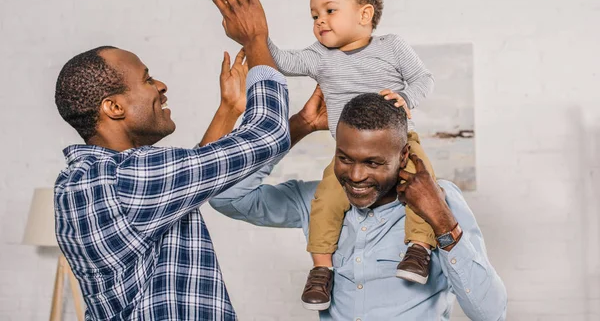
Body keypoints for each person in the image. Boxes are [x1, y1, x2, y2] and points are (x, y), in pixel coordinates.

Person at [52, 0, 289, 320]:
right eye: (147, 80)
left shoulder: (76, 183)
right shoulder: (130, 178)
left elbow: (184, 185)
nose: (160, 85)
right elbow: (268, 133)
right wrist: (256, 40)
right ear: (113, 107)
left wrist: (228, 110)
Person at [209, 87, 508, 320]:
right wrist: (300, 125)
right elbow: (224, 197)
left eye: (372, 162)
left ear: (403, 156)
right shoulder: (316, 200)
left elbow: (490, 314)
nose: (355, 175)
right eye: (345, 158)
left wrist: (442, 220)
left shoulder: (441, 202)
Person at [266, 0, 437, 309]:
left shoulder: (392, 47)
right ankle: (321, 271)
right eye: (314, 15)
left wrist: (406, 98)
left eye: (330, 11)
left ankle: (418, 249)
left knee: (423, 184)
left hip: (401, 145)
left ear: (365, 14)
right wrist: (257, 36)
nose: (319, 21)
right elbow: (282, 60)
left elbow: (424, 79)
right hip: (348, 153)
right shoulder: (319, 57)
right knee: (326, 198)